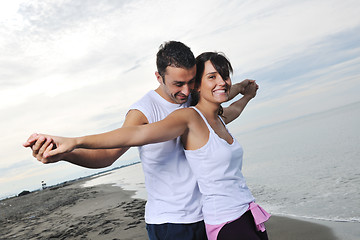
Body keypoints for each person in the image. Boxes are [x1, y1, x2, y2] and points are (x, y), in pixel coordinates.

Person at [23, 41, 256, 240]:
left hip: (206, 215)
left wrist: (242, 89)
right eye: (177, 84)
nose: (186, 91)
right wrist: (66, 151)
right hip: (171, 222)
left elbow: (215, 101)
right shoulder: (143, 111)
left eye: (191, 81)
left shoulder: (190, 98)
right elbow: (107, 156)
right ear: (159, 77)